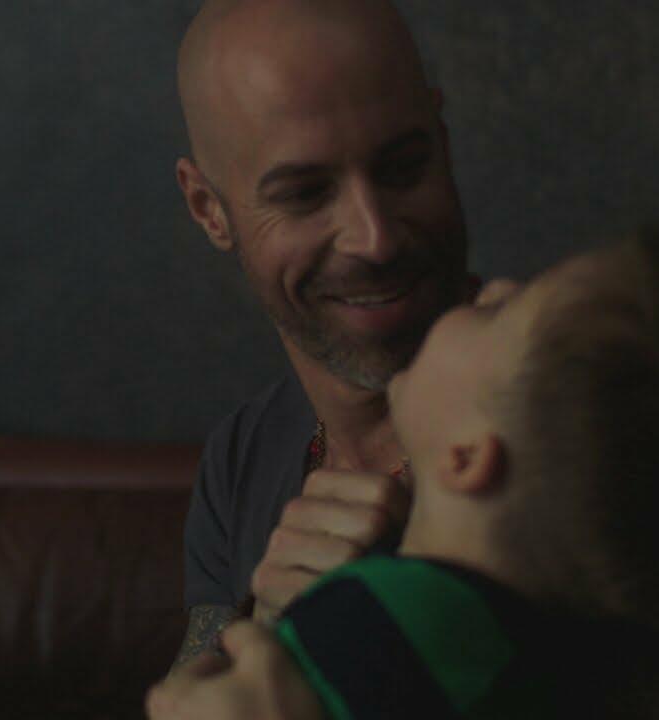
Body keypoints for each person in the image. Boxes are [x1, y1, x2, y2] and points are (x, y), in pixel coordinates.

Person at [149, 228, 659, 718]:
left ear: (466, 455)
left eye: (497, 313)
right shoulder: (546, 654)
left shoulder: (380, 620)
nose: (490, 286)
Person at [174, 0, 475, 662]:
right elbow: (186, 691)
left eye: (403, 167)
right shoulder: (240, 460)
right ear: (208, 209)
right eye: (304, 194)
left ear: (443, 142)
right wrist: (268, 639)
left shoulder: (579, 399)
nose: (375, 238)